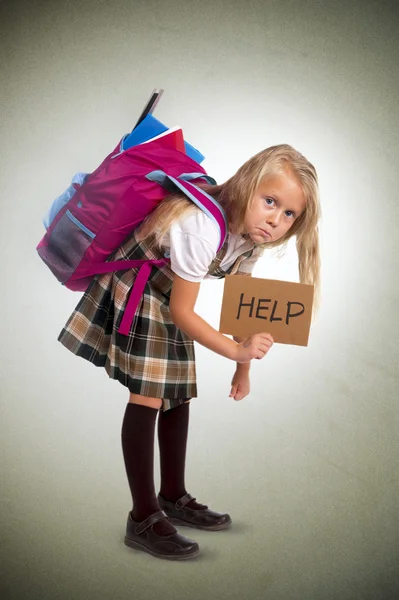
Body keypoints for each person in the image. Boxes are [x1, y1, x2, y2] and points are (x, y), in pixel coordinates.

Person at [58, 143, 321, 561]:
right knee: (148, 394)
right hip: (140, 291)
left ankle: (174, 496)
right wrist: (236, 352)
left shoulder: (250, 240)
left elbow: (241, 302)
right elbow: (183, 312)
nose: (275, 219)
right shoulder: (202, 226)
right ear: (247, 186)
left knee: (178, 391)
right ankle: (142, 517)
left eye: (289, 214)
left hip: (169, 296)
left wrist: (243, 367)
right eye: (270, 202)